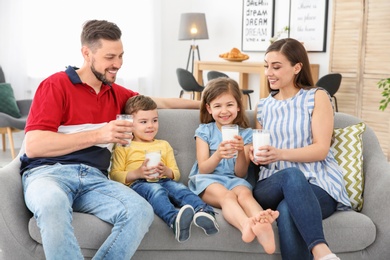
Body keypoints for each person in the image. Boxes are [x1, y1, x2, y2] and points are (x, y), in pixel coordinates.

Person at [20, 20, 200, 259]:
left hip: (95, 179)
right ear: (87, 53)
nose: (117, 64)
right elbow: (34, 146)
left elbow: (163, 102)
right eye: (110, 57)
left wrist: (207, 104)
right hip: (48, 174)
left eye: (121, 56)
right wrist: (99, 134)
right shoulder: (55, 85)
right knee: (52, 203)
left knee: (140, 210)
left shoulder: (115, 93)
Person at [250, 38, 351, 260]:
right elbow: (261, 149)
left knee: (287, 210)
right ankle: (322, 252)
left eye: (276, 66)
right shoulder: (263, 106)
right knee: (291, 175)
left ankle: (319, 252)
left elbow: (321, 150)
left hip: (318, 183)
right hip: (272, 184)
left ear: (297, 68)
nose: (269, 72)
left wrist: (280, 153)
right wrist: (254, 153)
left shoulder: (316, 97)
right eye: (266, 65)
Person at [109, 95, 219, 243]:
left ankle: (205, 212)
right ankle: (174, 219)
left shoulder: (163, 145)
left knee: (180, 189)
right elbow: (114, 175)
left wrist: (166, 171)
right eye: (143, 122)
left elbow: (176, 174)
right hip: (139, 184)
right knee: (156, 191)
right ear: (130, 124)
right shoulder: (124, 146)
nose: (150, 126)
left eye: (154, 120)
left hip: (163, 179)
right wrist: (137, 173)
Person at [188, 77, 279, 254]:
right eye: (217, 106)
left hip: (234, 180)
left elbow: (240, 173)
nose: (224, 111)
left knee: (245, 194)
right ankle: (246, 224)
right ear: (209, 108)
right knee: (228, 196)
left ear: (238, 106)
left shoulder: (246, 134)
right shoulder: (204, 131)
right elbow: (204, 168)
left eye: (229, 105)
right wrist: (218, 154)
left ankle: (263, 224)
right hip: (207, 180)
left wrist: (240, 152)